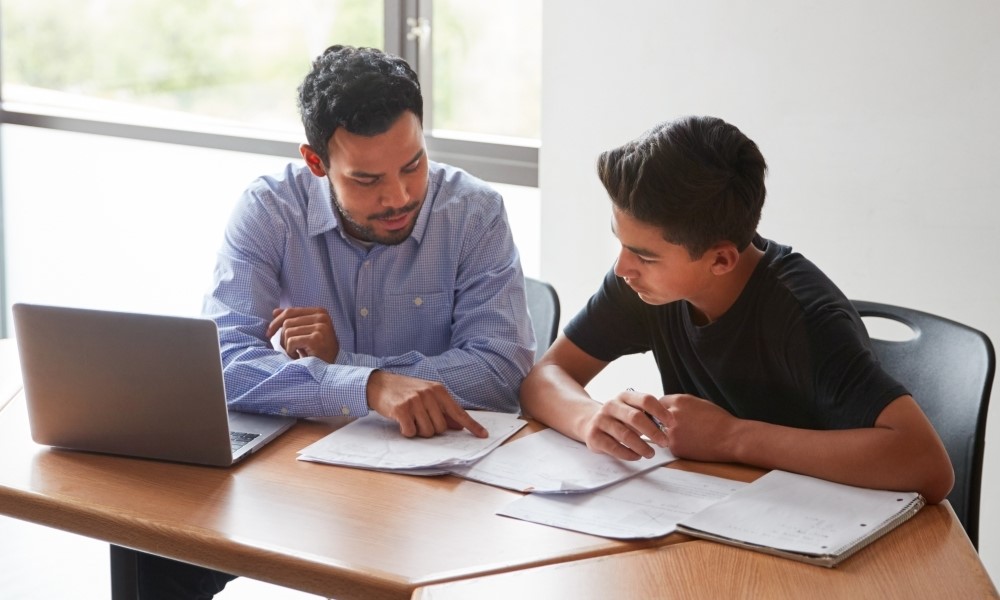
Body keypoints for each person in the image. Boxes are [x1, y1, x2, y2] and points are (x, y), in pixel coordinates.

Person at [137, 45, 535, 599]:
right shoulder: (270, 209)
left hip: (437, 491)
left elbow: (500, 370)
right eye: (367, 179)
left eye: (413, 164)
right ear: (316, 162)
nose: (398, 197)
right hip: (298, 477)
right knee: (152, 542)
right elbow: (220, 361)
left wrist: (348, 369)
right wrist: (370, 388)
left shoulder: (475, 212)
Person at [519, 115, 954, 505]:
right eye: (620, 243)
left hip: (820, 535)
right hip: (715, 514)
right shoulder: (641, 286)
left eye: (645, 256)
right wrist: (591, 418)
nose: (622, 268)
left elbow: (928, 467)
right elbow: (545, 377)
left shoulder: (805, 317)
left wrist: (733, 438)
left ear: (721, 260)